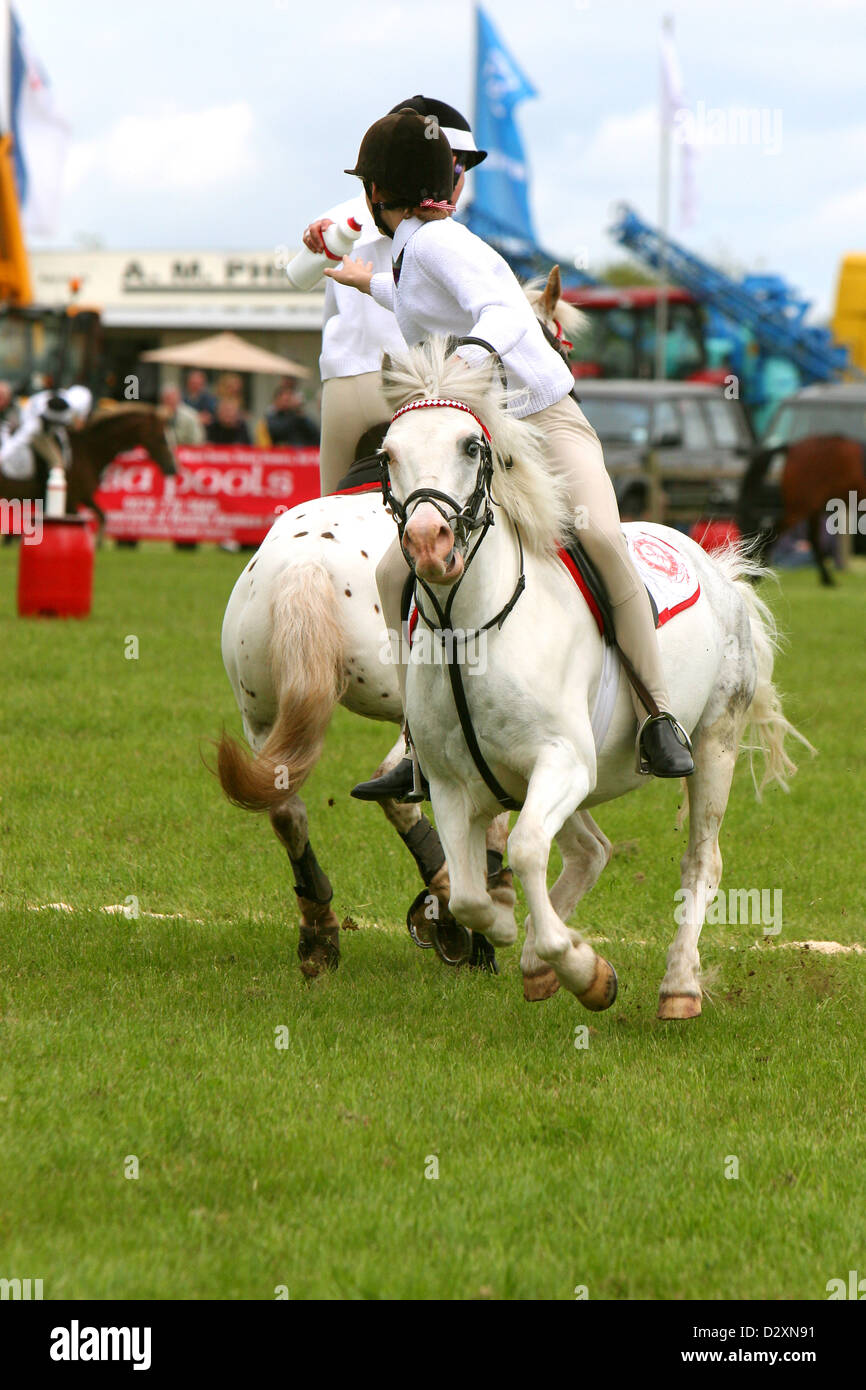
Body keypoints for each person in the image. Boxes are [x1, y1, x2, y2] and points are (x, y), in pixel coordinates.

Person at [325, 109, 695, 798]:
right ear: (445, 186)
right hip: (488, 430)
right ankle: (418, 743)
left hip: (547, 424)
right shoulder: (414, 251)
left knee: (600, 538)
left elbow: (499, 313)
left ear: (377, 193)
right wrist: (362, 281)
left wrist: (463, 364)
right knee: (390, 573)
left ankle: (657, 714)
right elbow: (425, 303)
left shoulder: (436, 245)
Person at [301, 94, 487, 495]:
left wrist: (316, 235)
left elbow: (317, 238)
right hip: (416, 387)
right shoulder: (449, 231)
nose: (459, 178)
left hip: (344, 382)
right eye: (458, 166)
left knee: (327, 509)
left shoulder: (353, 210)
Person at [0, 383, 92, 480]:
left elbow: (83, 395)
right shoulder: (34, 425)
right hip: (38, 433)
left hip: (46, 427)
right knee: (57, 463)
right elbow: (17, 441)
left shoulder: (70, 401)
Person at [259, 381, 320, 447]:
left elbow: (315, 433)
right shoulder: (271, 416)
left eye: (290, 398)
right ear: (277, 400)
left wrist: (299, 413)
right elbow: (277, 430)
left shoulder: (298, 416)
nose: (288, 402)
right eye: (286, 400)